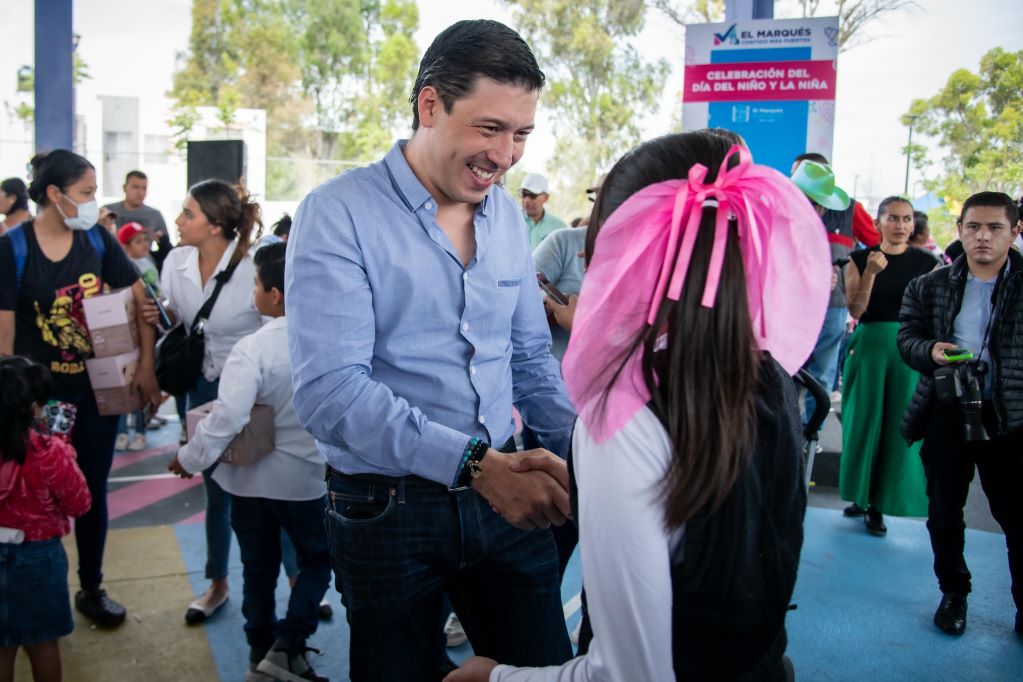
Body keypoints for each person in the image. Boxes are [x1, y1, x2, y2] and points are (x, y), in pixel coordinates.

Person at [448, 131, 829, 681]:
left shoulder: (626, 413)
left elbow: (629, 675)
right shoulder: (765, 371)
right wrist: (592, 487)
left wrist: (495, 677)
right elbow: (714, 526)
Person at [287, 19, 576, 680]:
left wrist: (589, 458)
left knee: (540, 671)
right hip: (385, 507)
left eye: (521, 134)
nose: (505, 156)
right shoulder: (338, 214)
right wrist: (475, 466)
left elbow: (529, 360)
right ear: (429, 104)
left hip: (508, 494)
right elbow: (332, 392)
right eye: (489, 128)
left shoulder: (505, 217)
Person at [0, 149, 161, 627]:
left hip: (96, 394)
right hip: (41, 402)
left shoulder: (96, 239)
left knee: (90, 489)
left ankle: (91, 586)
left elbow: (140, 297)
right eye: (86, 193)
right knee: (32, 492)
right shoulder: (13, 249)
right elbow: (5, 338)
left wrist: (147, 365)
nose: (94, 202)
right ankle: (31, 587)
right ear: (55, 194)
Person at [168, 243, 331, 681]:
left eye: (256, 285)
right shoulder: (328, 342)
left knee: (257, 568)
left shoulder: (253, 348)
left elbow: (227, 418)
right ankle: (289, 645)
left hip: (249, 483)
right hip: (305, 482)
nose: (251, 294)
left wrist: (189, 456)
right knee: (317, 562)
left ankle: (261, 650)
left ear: (275, 294)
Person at [898, 191, 1022, 638]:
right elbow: (906, 337)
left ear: (1015, 231)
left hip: (1011, 418)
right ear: (960, 229)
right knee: (944, 512)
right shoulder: (929, 285)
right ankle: (954, 593)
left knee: (1016, 514)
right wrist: (929, 350)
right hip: (947, 411)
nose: (983, 236)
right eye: (973, 227)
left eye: (994, 228)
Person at [141, 179, 263, 624]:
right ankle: (217, 583)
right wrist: (164, 315)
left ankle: (296, 580)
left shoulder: (253, 267)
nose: (177, 220)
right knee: (216, 490)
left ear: (215, 226)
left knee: (266, 486)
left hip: (253, 392)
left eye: (188, 213)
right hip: (199, 386)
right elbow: (182, 318)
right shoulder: (175, 261)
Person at [840, 196, 937, 535]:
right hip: (869, 348)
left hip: (908, 350)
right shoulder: (858, 259)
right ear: (878, 222)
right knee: (862, 423)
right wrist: (870, 273)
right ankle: (860, 495)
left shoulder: (928, 264)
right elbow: (855, 312)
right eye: (893, 218)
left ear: (913, 224)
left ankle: (879, 505)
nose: (900, 225)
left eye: (906, 219)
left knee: (900, 428)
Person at [0, 357, 92, 682]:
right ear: (35, 408)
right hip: (39, 555)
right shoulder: (49, 450)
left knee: (2, 647)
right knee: (43, 644)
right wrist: (66, 449)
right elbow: (80, 503)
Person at [790, 154, 876, 421]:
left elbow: (877, 243)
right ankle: (787, 430)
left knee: (823, 374)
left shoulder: (851, 209)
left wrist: (854, 274)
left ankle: (810, 432)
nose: (817, 210)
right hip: (789, 306)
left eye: (820, 203)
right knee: (785, 369)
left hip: (833, 305)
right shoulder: (780, 215)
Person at [113, 222, 158, 452]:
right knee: (122, 386)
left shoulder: (150, 263)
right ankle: (121, 431)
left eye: (146, 240)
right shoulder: (122, 266)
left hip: (143, 334)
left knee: (141, 384)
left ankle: (140, 430)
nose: (145, 245)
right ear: (125, 245)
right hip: (124, 335)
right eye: (138, 241)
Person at [103, 170, 172, 271]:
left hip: (146, 268)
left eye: (144, 188)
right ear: (124, 188)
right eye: (135, 187)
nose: (140, 192)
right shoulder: (109, 211)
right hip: (112, 265)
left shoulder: (155, 215)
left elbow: (165, 246)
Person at [521, 173, 567, 250]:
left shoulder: (559, 227)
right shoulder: (509, 222)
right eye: (524, 194)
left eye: (533, 195)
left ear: (546, 197)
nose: (526, 200)